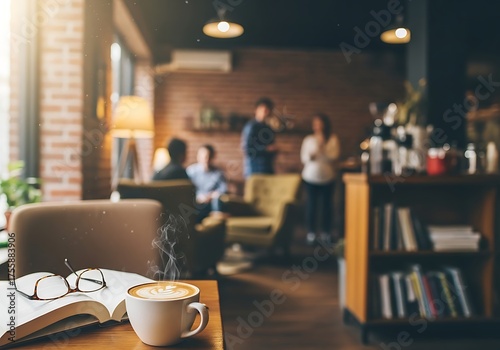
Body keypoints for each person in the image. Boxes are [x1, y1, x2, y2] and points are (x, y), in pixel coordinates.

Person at [300, 113, 340, 245]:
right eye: (315, 123)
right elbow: (304, 158)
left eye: (320, 123)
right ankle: (311, 233)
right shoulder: (309, 140)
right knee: (311, 205)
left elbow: (334, 156)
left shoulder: (332, 139)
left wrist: (323, 148)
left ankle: (326, 232)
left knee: (327, 206)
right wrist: (314, 152)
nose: (318, 126)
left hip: (328, 177)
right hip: (311, 177)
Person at [186, 144, 227, 223]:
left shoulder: (218, 173)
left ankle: (216, 224)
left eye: (208, 156)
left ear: (212, 157)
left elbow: (223, 190)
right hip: (195, 203)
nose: (205, 158)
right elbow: (187, 189)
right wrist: (198, 198)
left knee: (218, 201)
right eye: (203, 156)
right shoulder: (191, 171)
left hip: (211, 203)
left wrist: (211, 196)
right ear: (198, 156)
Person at [241, 97, 278, 177]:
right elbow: (247, 149)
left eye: (267, 110)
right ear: (256, 110)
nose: (265, 112)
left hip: (267, 169)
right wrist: (266, 149)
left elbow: (272, 147)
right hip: (254, 169)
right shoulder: (251, 126)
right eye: (263, 109)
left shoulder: (269, 128)